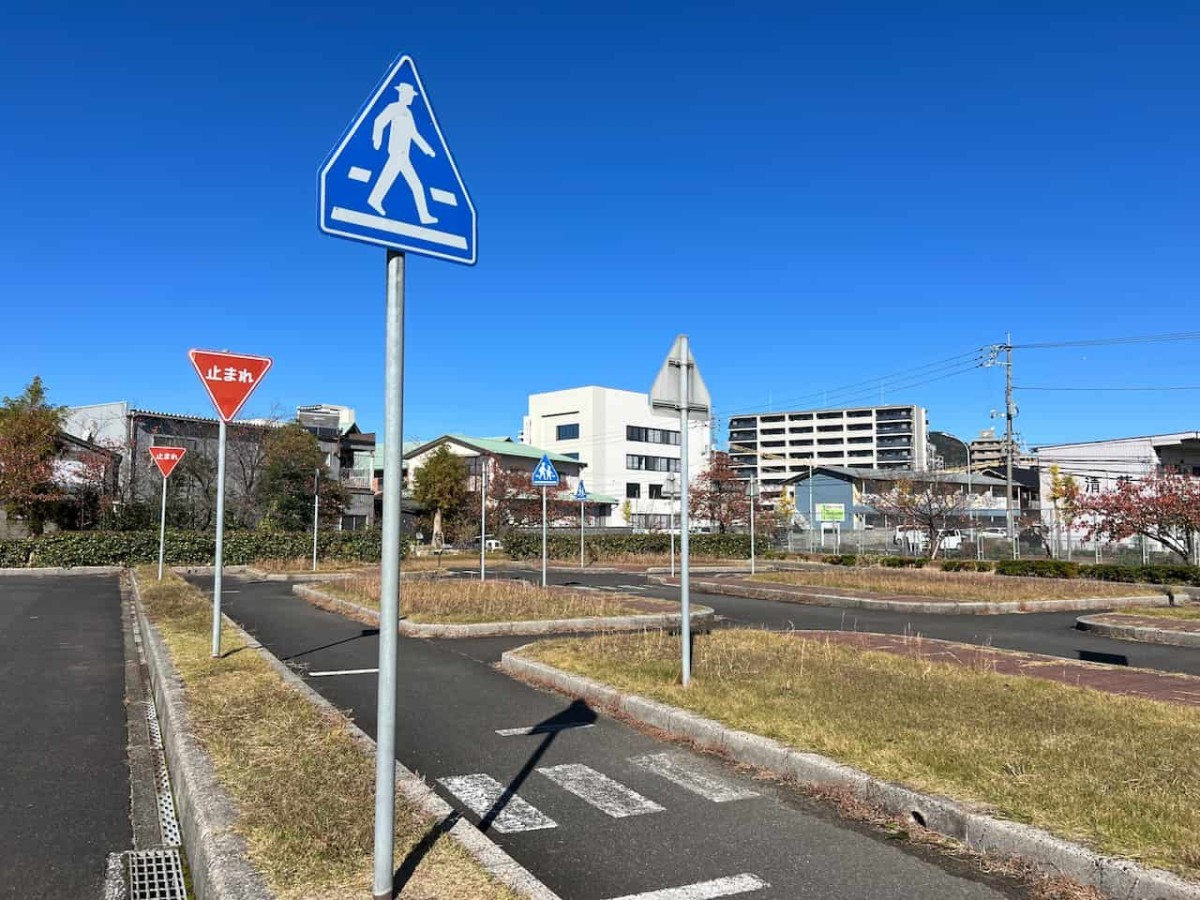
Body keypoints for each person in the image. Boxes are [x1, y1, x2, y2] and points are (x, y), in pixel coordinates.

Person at [367, 83, 438, 224]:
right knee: (415, 185)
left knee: (396, 180)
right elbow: (379, 121)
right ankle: (423, 216)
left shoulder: (408, 113)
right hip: (396, 153)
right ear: (403, 95)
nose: (411, 98)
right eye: (410, 96)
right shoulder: (393, 108)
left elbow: (414, 134)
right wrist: (377, 140)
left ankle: (375, 200)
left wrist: (427, 149)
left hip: (404, 155)